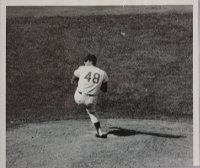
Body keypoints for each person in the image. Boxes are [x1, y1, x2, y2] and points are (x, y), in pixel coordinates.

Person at [71, 53, 109, 138]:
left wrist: (83, 82)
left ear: (90, 61)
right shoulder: (103, 73)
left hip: (78, 98)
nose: (84, 63)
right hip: (91, 101)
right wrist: (95, 85)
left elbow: (73, 80)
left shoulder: (82, 68)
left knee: (80, 87)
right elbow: (104, 90)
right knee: (92, 112)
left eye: (85, 61)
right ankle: (100, 132)